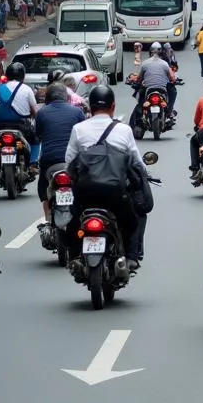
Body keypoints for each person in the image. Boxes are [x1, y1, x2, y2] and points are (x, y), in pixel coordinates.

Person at [66, 85, 151, 271]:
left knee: (73, 221)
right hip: (115, 192)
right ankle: (131, 257)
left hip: (85, 192)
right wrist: (144, 174)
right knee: (132, 220)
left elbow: (69, 161)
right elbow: (136, 161)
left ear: (90, 106)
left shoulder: (78, 129)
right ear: (113, 107)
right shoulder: (124, 130)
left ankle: (73, 257)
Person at [35, 82, 86, 223]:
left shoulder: (42, 113)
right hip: (73, 163)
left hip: (49, 162)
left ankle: (47, 220)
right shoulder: (77, 112)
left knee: (44, 189)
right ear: (66, 97)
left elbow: (37, 135)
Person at [0, 62, 38, 176]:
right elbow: (35, 112)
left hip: (0, 126)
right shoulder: (27, 89)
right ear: (23, 76)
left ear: (7, 75)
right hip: (22, 126)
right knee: (35, 139)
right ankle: (33, 164)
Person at [131, 43, 176, 128]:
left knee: (141, 97)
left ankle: (142, 114)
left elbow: (139, 78)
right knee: (173, 91)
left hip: (148, 89)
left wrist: (135, 80)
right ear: (161, 51)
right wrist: (174, 80)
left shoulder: (145, 63)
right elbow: (172, 78)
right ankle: (169, 113)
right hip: (162, 89)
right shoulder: (165, 63)